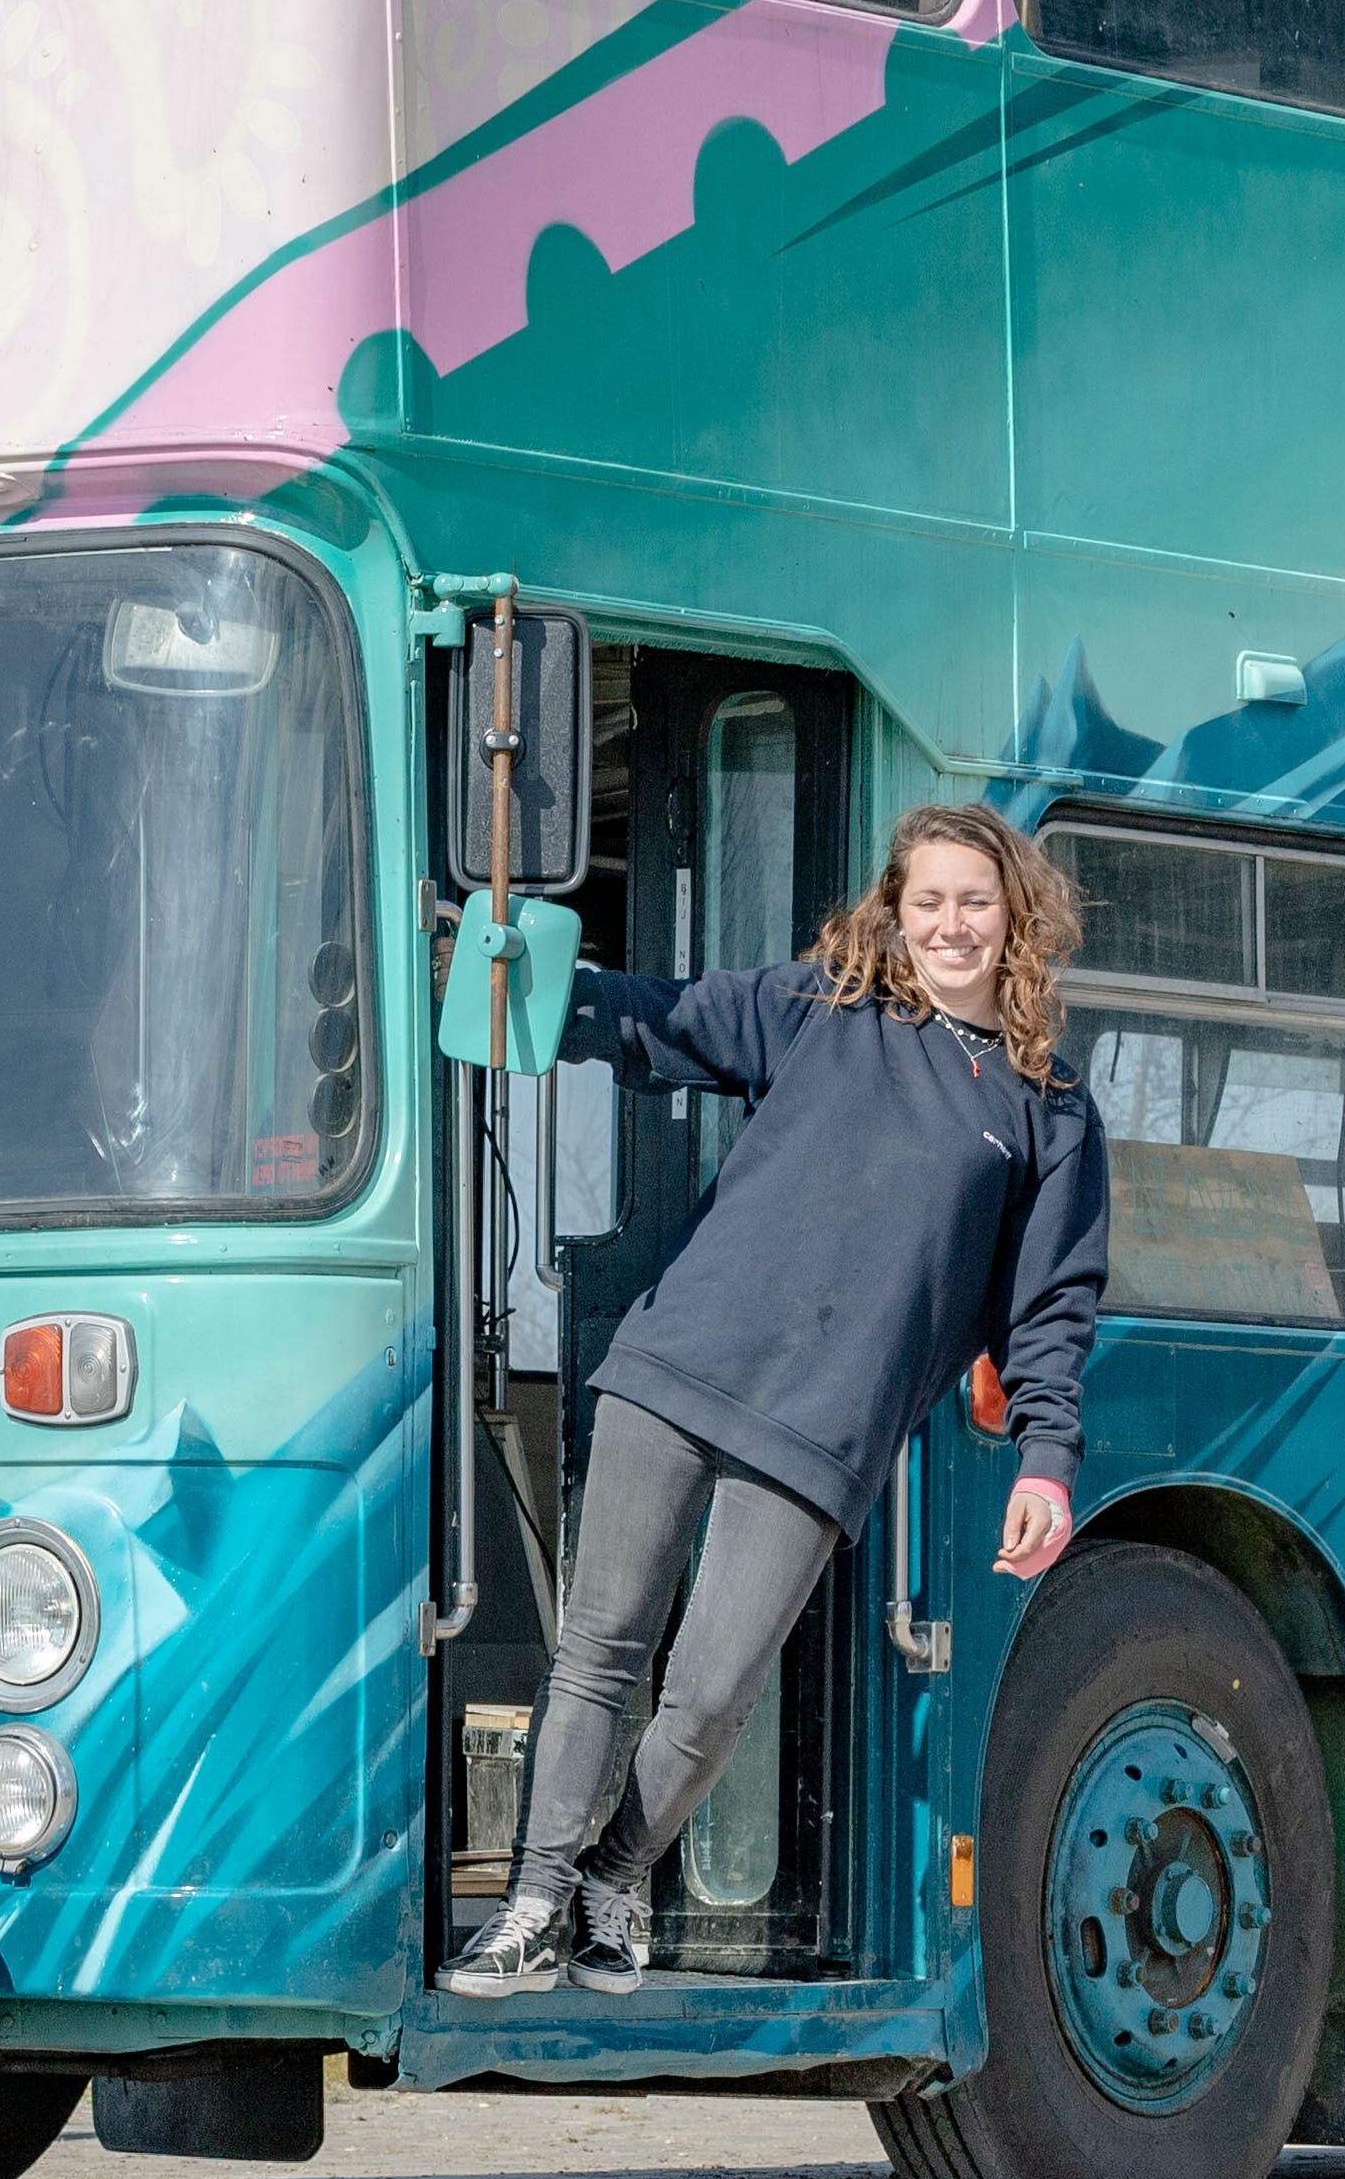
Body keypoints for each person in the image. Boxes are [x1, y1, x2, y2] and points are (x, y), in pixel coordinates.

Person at [443, 802, 1107, 2001]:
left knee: (712, 1696)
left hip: (823, 1432)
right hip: (676, 1366)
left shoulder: (1047, 1107)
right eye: (928, 901)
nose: (951, 924)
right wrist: (529, 974)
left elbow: (1050, 1308)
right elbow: (662, 1021)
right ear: (894, 914)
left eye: (974, 901)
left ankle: (615, 1872)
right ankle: (533, 1900)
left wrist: (1046, 1459)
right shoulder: (825, 1010)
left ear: (1014, 916)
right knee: (600, 1653)